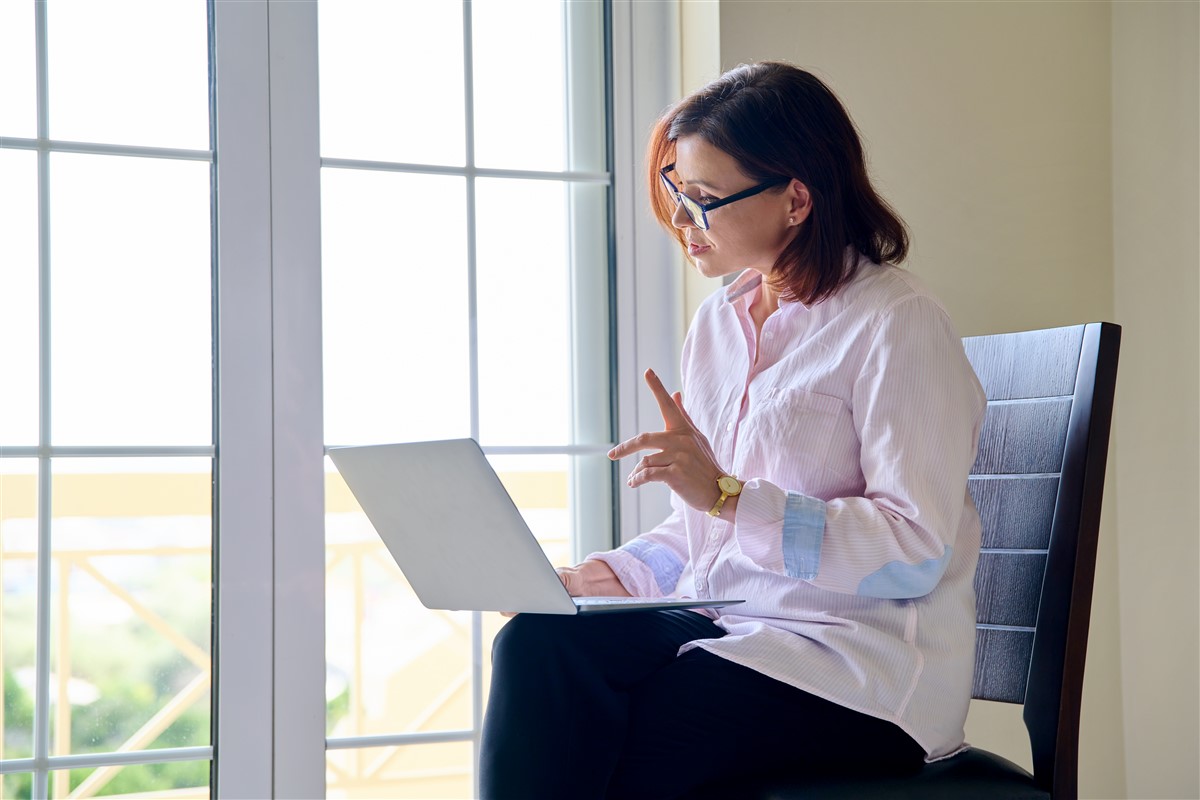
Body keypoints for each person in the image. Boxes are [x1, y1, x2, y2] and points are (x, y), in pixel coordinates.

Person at [478, 61, 986, 800]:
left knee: (622, 741)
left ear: (797, 199)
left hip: (852, 669)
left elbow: (912, 553)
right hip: (732, 630)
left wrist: (725, 496)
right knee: (540, 644)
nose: (682, 221)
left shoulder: (896, 324)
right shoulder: (718, 322)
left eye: (705, 200)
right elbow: (704, 538)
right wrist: (600, 579)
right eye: (678, 193)